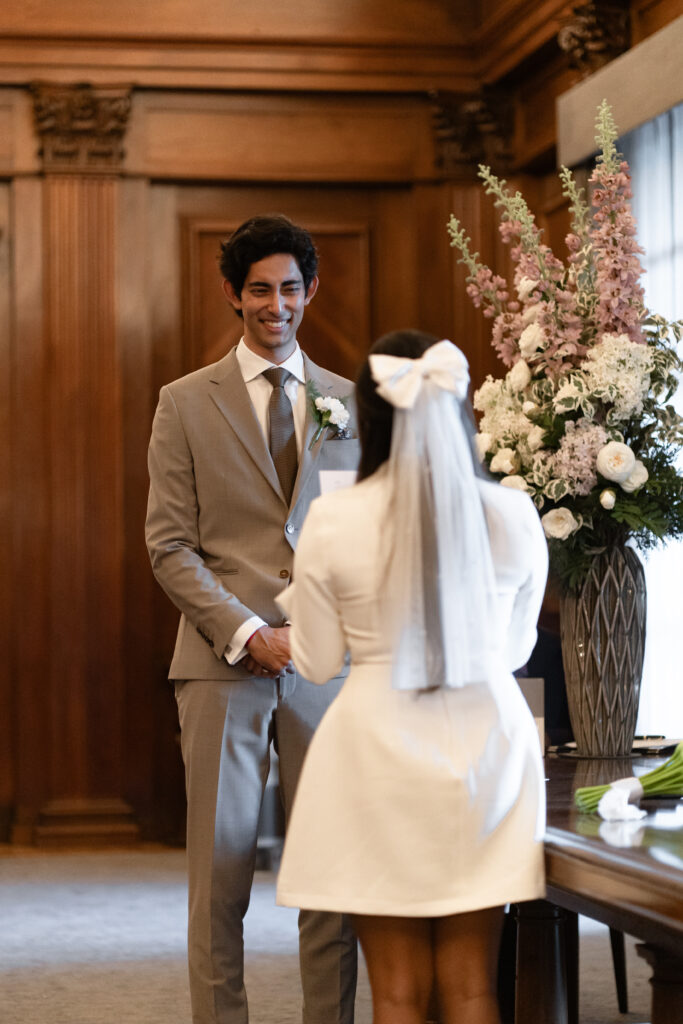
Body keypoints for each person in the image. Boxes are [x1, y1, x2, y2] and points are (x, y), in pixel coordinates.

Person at [276, 330, 549, 1024]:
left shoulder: (332, 520)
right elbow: (514, 651)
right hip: (487, 748)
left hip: (374, 750)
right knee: (472, 987)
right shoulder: (514, 514)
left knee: (396, 993)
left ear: (367, 418)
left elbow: (313, 661)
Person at [145, 214, 359, 1024]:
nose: (278, 305)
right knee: (221, 876)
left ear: (310, 292)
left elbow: (363, 537)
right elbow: (169, 546)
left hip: (325, 666)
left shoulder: (349, 404)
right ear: (235, 296)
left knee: (327, 871)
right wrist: (247, 632)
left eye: (291, 288)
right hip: (219, 663)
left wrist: (319, 634)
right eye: (260, 289)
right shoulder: (182, 403)